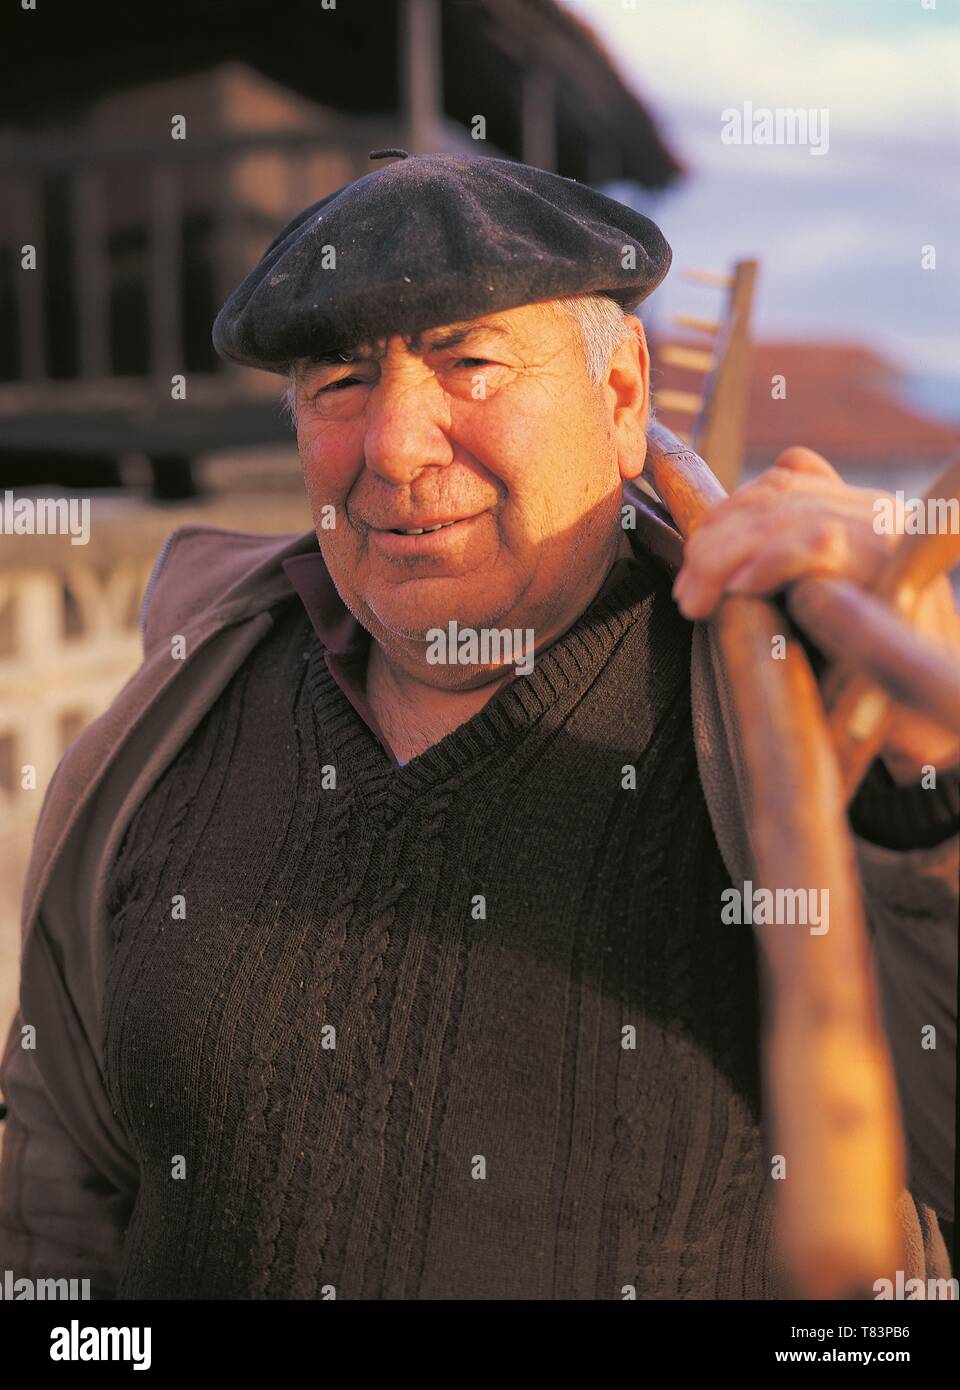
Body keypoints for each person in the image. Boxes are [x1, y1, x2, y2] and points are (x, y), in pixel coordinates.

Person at [1, 151, 956, 1300]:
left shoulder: (793, 726)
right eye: (340, 383)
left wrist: (929, 775)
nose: (398, 448)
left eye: (472, 363)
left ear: (620, 398)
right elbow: (56, 1176)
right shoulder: (167, 719)